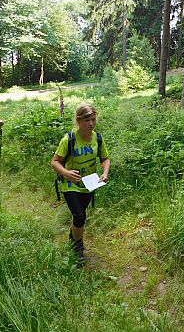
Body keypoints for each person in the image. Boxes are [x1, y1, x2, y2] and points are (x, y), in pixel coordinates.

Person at [51, 103, 110, 267]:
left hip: (89, 184)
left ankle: (73, 237)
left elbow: (105, 159)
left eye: (93, 119)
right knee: (79, 216)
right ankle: (78, 247)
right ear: (78, 120)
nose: (91, 124)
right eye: (87, 121)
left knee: (80, 217)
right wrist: (66, 173)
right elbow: (55, 162)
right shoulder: (68, 139)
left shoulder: (98, 138)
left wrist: (104, 173)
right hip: (70, 185)